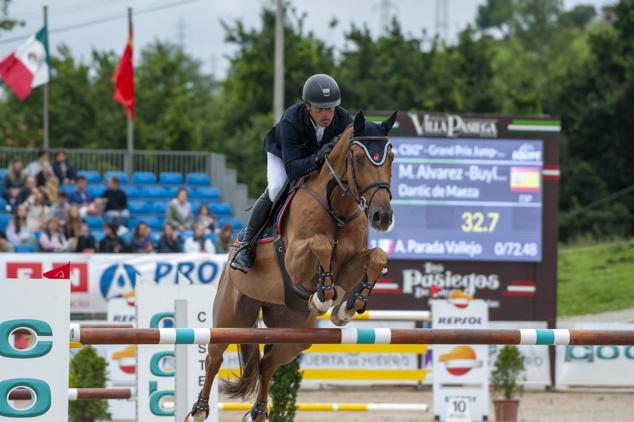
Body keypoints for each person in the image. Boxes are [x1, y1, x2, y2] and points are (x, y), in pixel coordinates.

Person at [231, 74, 352, 272]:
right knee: (277, 187)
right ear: (308, 106)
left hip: (319, 160)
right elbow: (293, 169)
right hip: (285, 157)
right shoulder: (291, 119)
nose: (326, 114)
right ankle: (246, 245)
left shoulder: (344, 119)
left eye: (330, 108)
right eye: (320, 108)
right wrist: (316, 159)